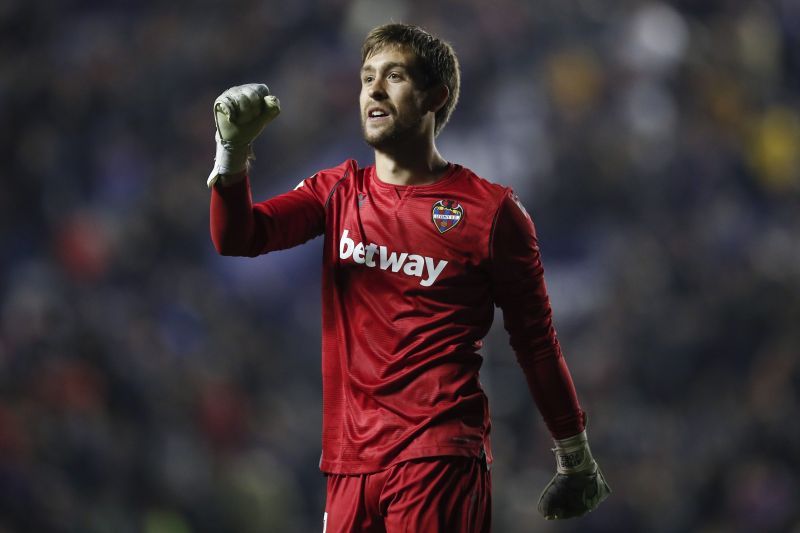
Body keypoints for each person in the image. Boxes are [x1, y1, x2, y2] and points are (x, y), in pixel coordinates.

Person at [207, 22, 609, 533]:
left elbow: (536, 341)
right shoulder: (336, 192)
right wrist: (232, 153)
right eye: (366, 77)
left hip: (438, 457)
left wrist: (573, 452)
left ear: (434, 97)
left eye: (392, 76)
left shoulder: (492, 213)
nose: (372, 89)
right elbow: (239, 238)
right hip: (350, 462)